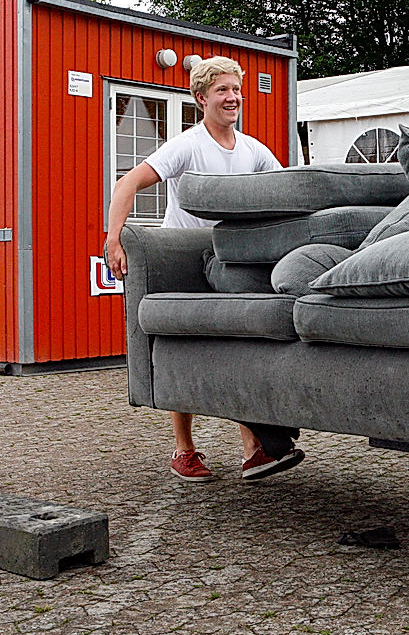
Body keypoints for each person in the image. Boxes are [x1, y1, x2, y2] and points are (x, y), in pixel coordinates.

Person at [104, 55, 306, 483]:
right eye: (222, 91)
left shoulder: (254, 150)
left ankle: (254, 449)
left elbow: (288, 191)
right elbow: (127, 183)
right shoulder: (188, 145)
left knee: (238, 346)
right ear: (201, 98)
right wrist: (113, 238)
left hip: (227, 261)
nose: (232, 98)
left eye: (236, 90)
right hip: (183, 257)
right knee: (184, 350)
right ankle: (184, 450)